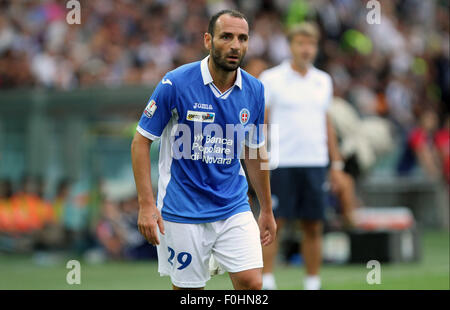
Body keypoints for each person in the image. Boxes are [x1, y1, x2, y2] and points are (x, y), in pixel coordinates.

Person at [131, 9, 276, 290]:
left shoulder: (255, 90)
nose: (235, 45)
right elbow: (141, 141)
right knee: (189, 292)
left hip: (233, 205)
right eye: (226, 37)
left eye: (242, 38)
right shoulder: (176, 82)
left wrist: (267, 209)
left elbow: (255, 151)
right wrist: (146, 205)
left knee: (252, 284)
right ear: (208, 40)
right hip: (182, 209)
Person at [259, 22, 346, 290]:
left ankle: (312, 283)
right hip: (280, 163)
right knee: (274, 225)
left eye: (311, 44)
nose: (306, 49)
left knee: (313, 225)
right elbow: (261, 123)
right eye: (301, 43)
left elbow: (326, 123)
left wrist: (336, 163)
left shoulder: (323, 80)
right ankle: (267, 281)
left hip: (315, 163)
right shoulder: (271, 79)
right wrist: (259, 164)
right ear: (290, 46)